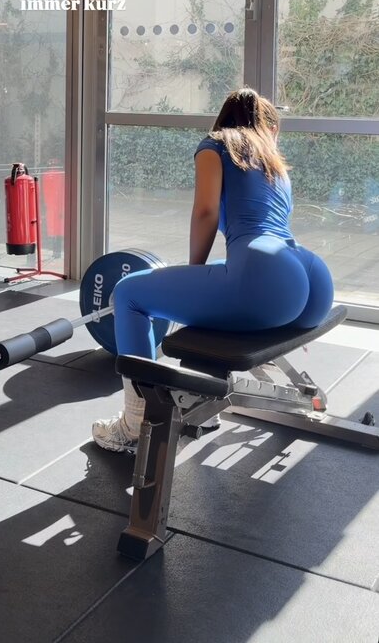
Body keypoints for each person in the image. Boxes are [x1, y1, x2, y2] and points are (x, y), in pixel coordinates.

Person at [92, 87, 334, 453]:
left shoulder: (215, 145)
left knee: (127, 293)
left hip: (268, 280)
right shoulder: (272, 161)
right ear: (265, 125)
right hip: (310, 278)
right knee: (221, 284)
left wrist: (195, 273)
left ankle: (137, 422)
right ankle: (199, 406)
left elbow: (205, 212)